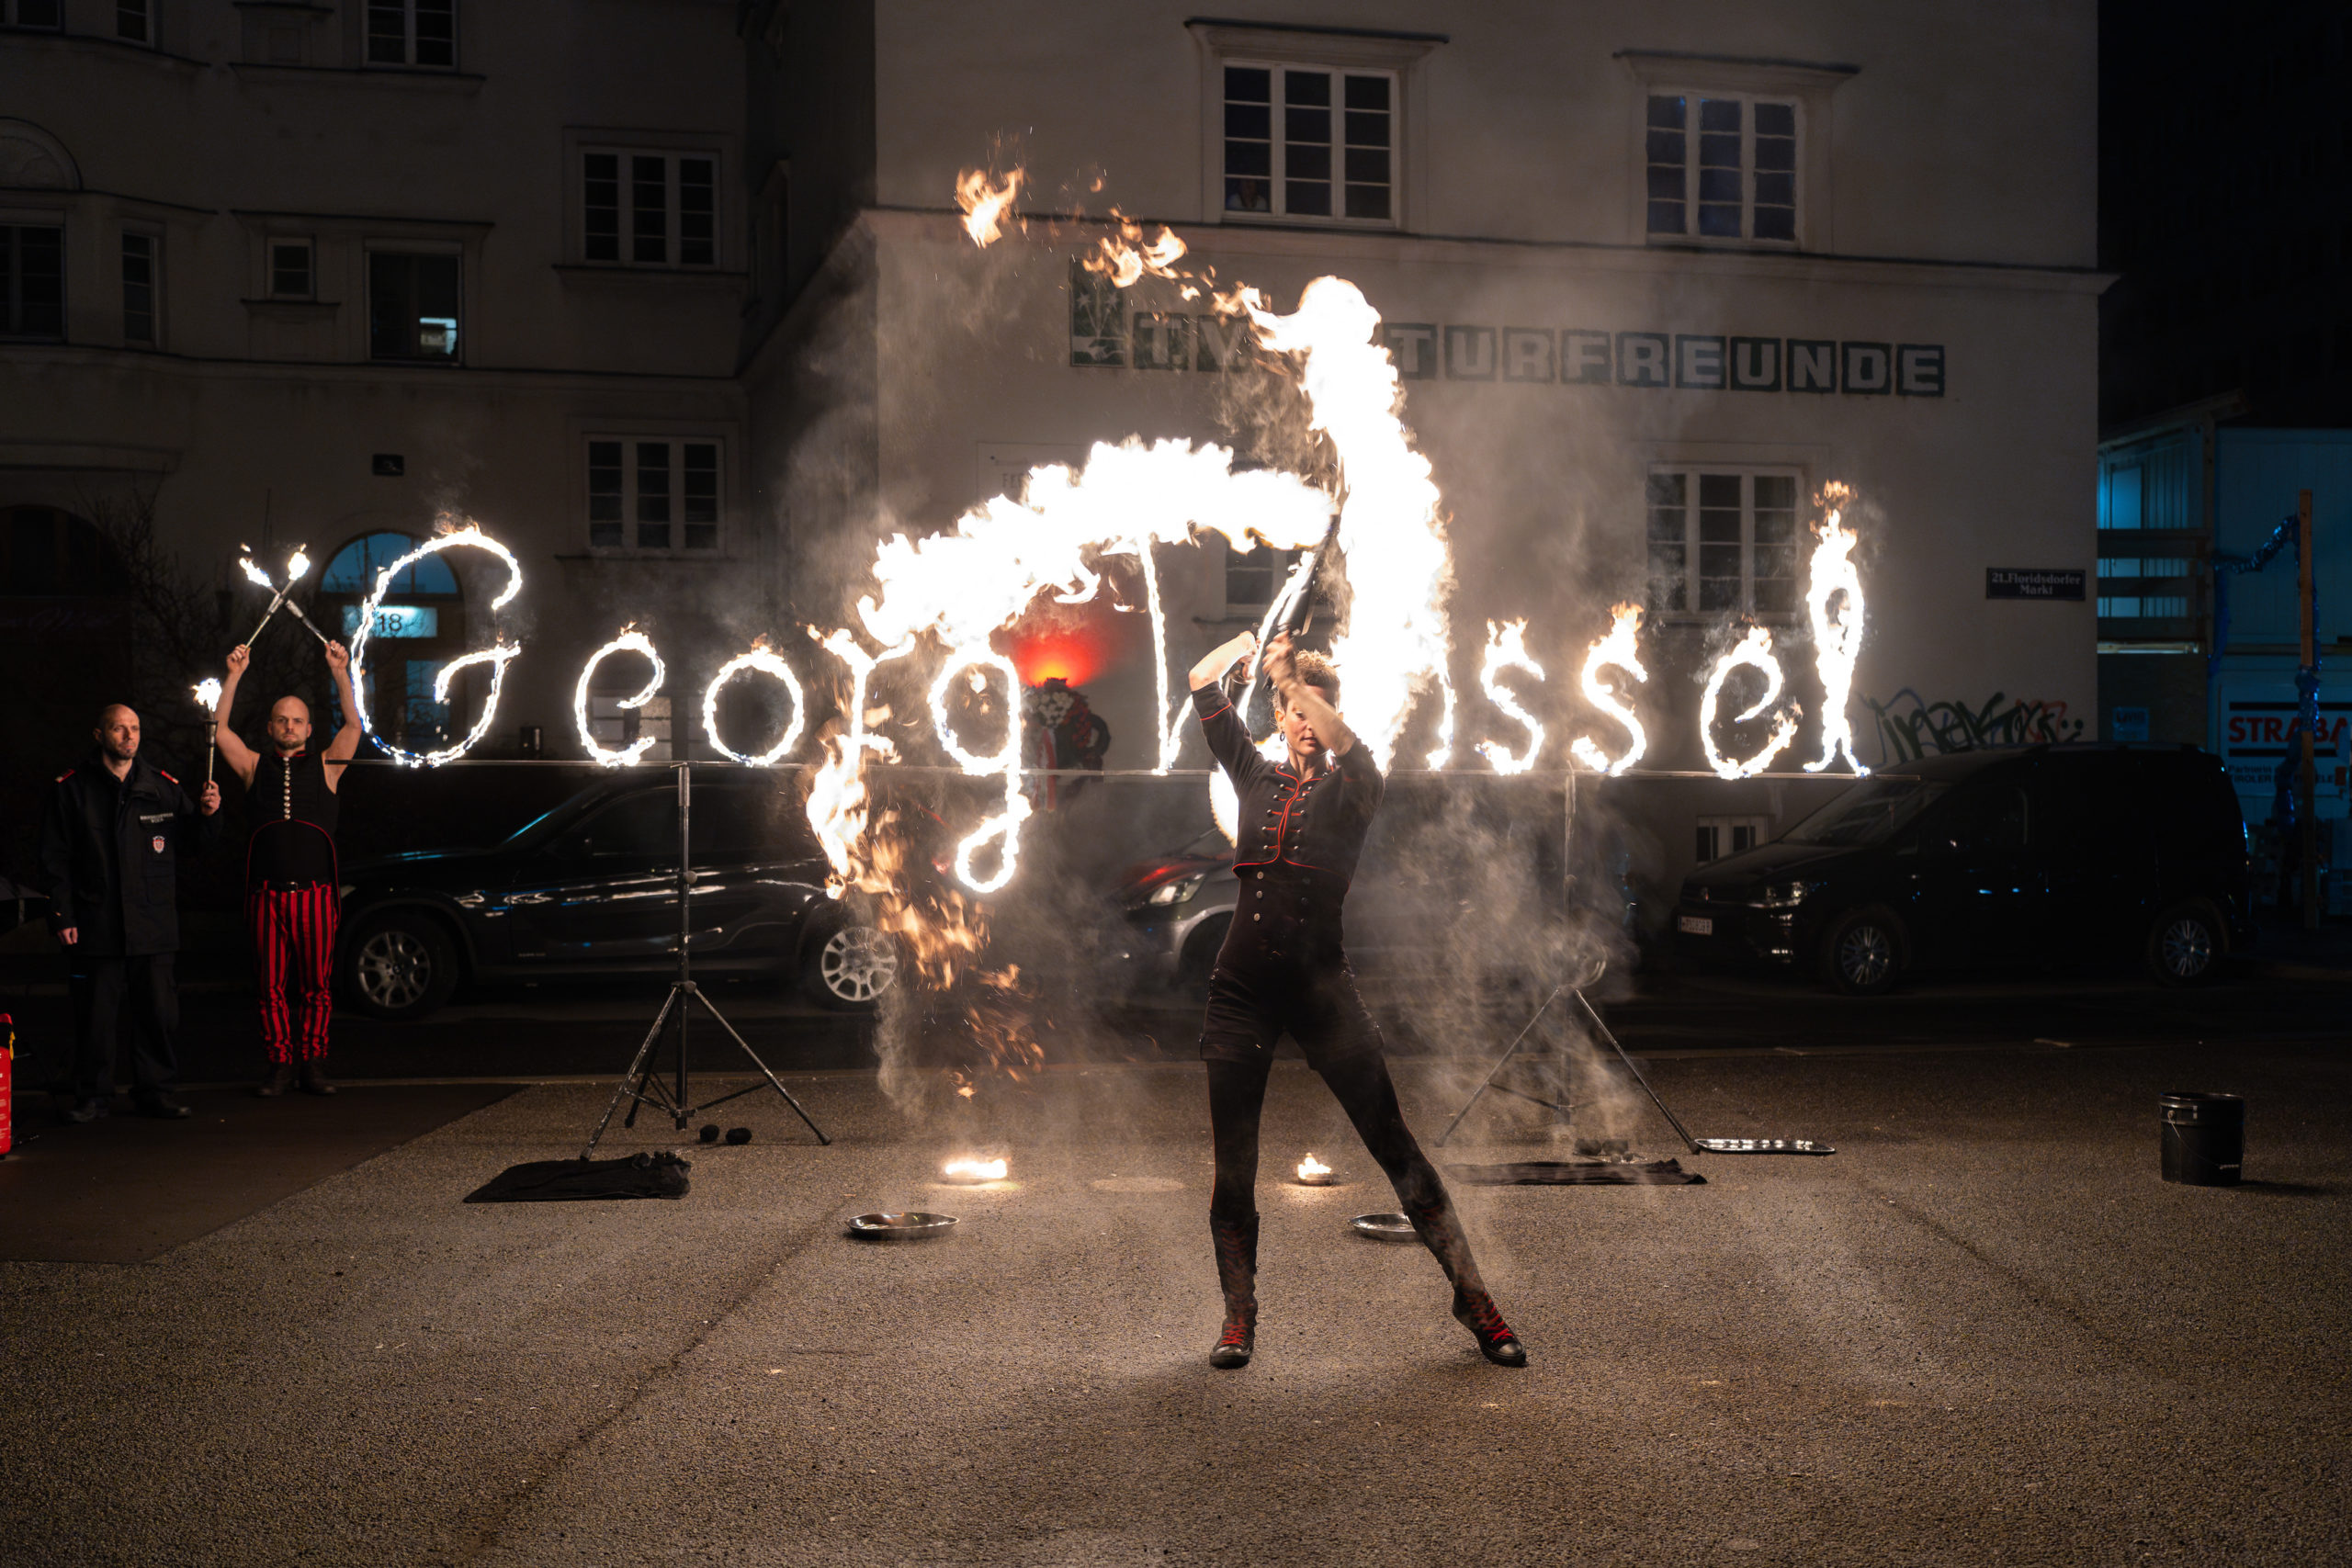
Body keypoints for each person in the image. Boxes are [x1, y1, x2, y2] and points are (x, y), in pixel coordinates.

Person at [1185, 629, 1526, 1370]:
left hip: (1322, 990)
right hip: (1240, 991)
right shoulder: (1254, 775)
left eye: (1317, 707)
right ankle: (1238, 1316)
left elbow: (1358, 751)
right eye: (1293, 709)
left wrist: (1295, 679)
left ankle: (1475, 1300)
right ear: (1278, 720)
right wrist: (1245, 647)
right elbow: (1200, 684)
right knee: (1233, 1167)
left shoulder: (1354, 785)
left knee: (1394, 1144)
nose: (1305, 719)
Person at [37, 703, 223, 1122]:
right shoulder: (72, 788)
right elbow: (54, 859)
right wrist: (62, 914)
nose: (128, 737)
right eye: (118, 729)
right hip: (95, 921)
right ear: (99, 735)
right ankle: (93, 1096)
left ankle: (155, 1091)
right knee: (95, 1016)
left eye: (135, 728)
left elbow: (194, 844)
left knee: (158, 1013)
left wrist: (209, 816)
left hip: (152, 924)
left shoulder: (161, 786)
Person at [212, 638, 361, 1096]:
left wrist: (340, 670)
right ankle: (280, 1064)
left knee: (317, 985)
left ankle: (313, 1063)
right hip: (267, 896)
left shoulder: (328, 765)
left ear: (309, 728)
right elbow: (218, 730)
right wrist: (234, 674)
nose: (289, 726)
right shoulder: (256, 766)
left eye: (297, 720)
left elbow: (354, 725)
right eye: (282, 720)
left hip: (316, 896)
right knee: (270, 987)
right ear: (271, 727)